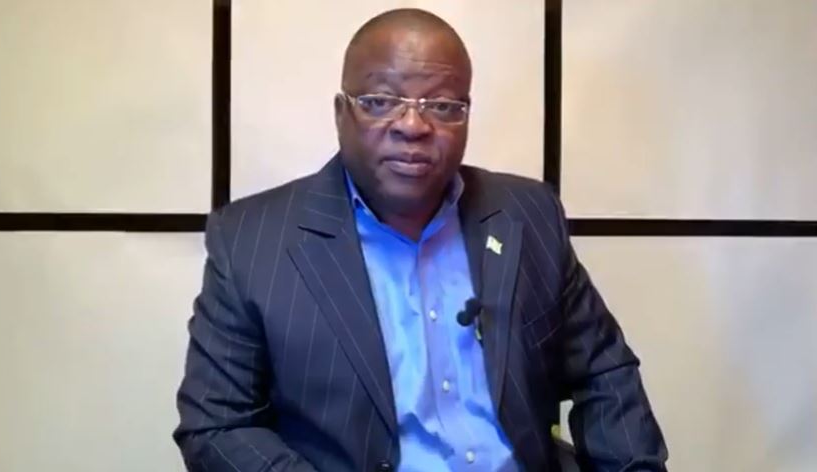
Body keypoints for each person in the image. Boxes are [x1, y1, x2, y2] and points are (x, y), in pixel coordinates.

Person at [174, 8, 667, 472]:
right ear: (341, 113)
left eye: (443, 106)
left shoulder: (527, 214)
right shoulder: (252, 240)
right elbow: (217, 425)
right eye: (380, 102)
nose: (412, 126)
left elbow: (604, 372)